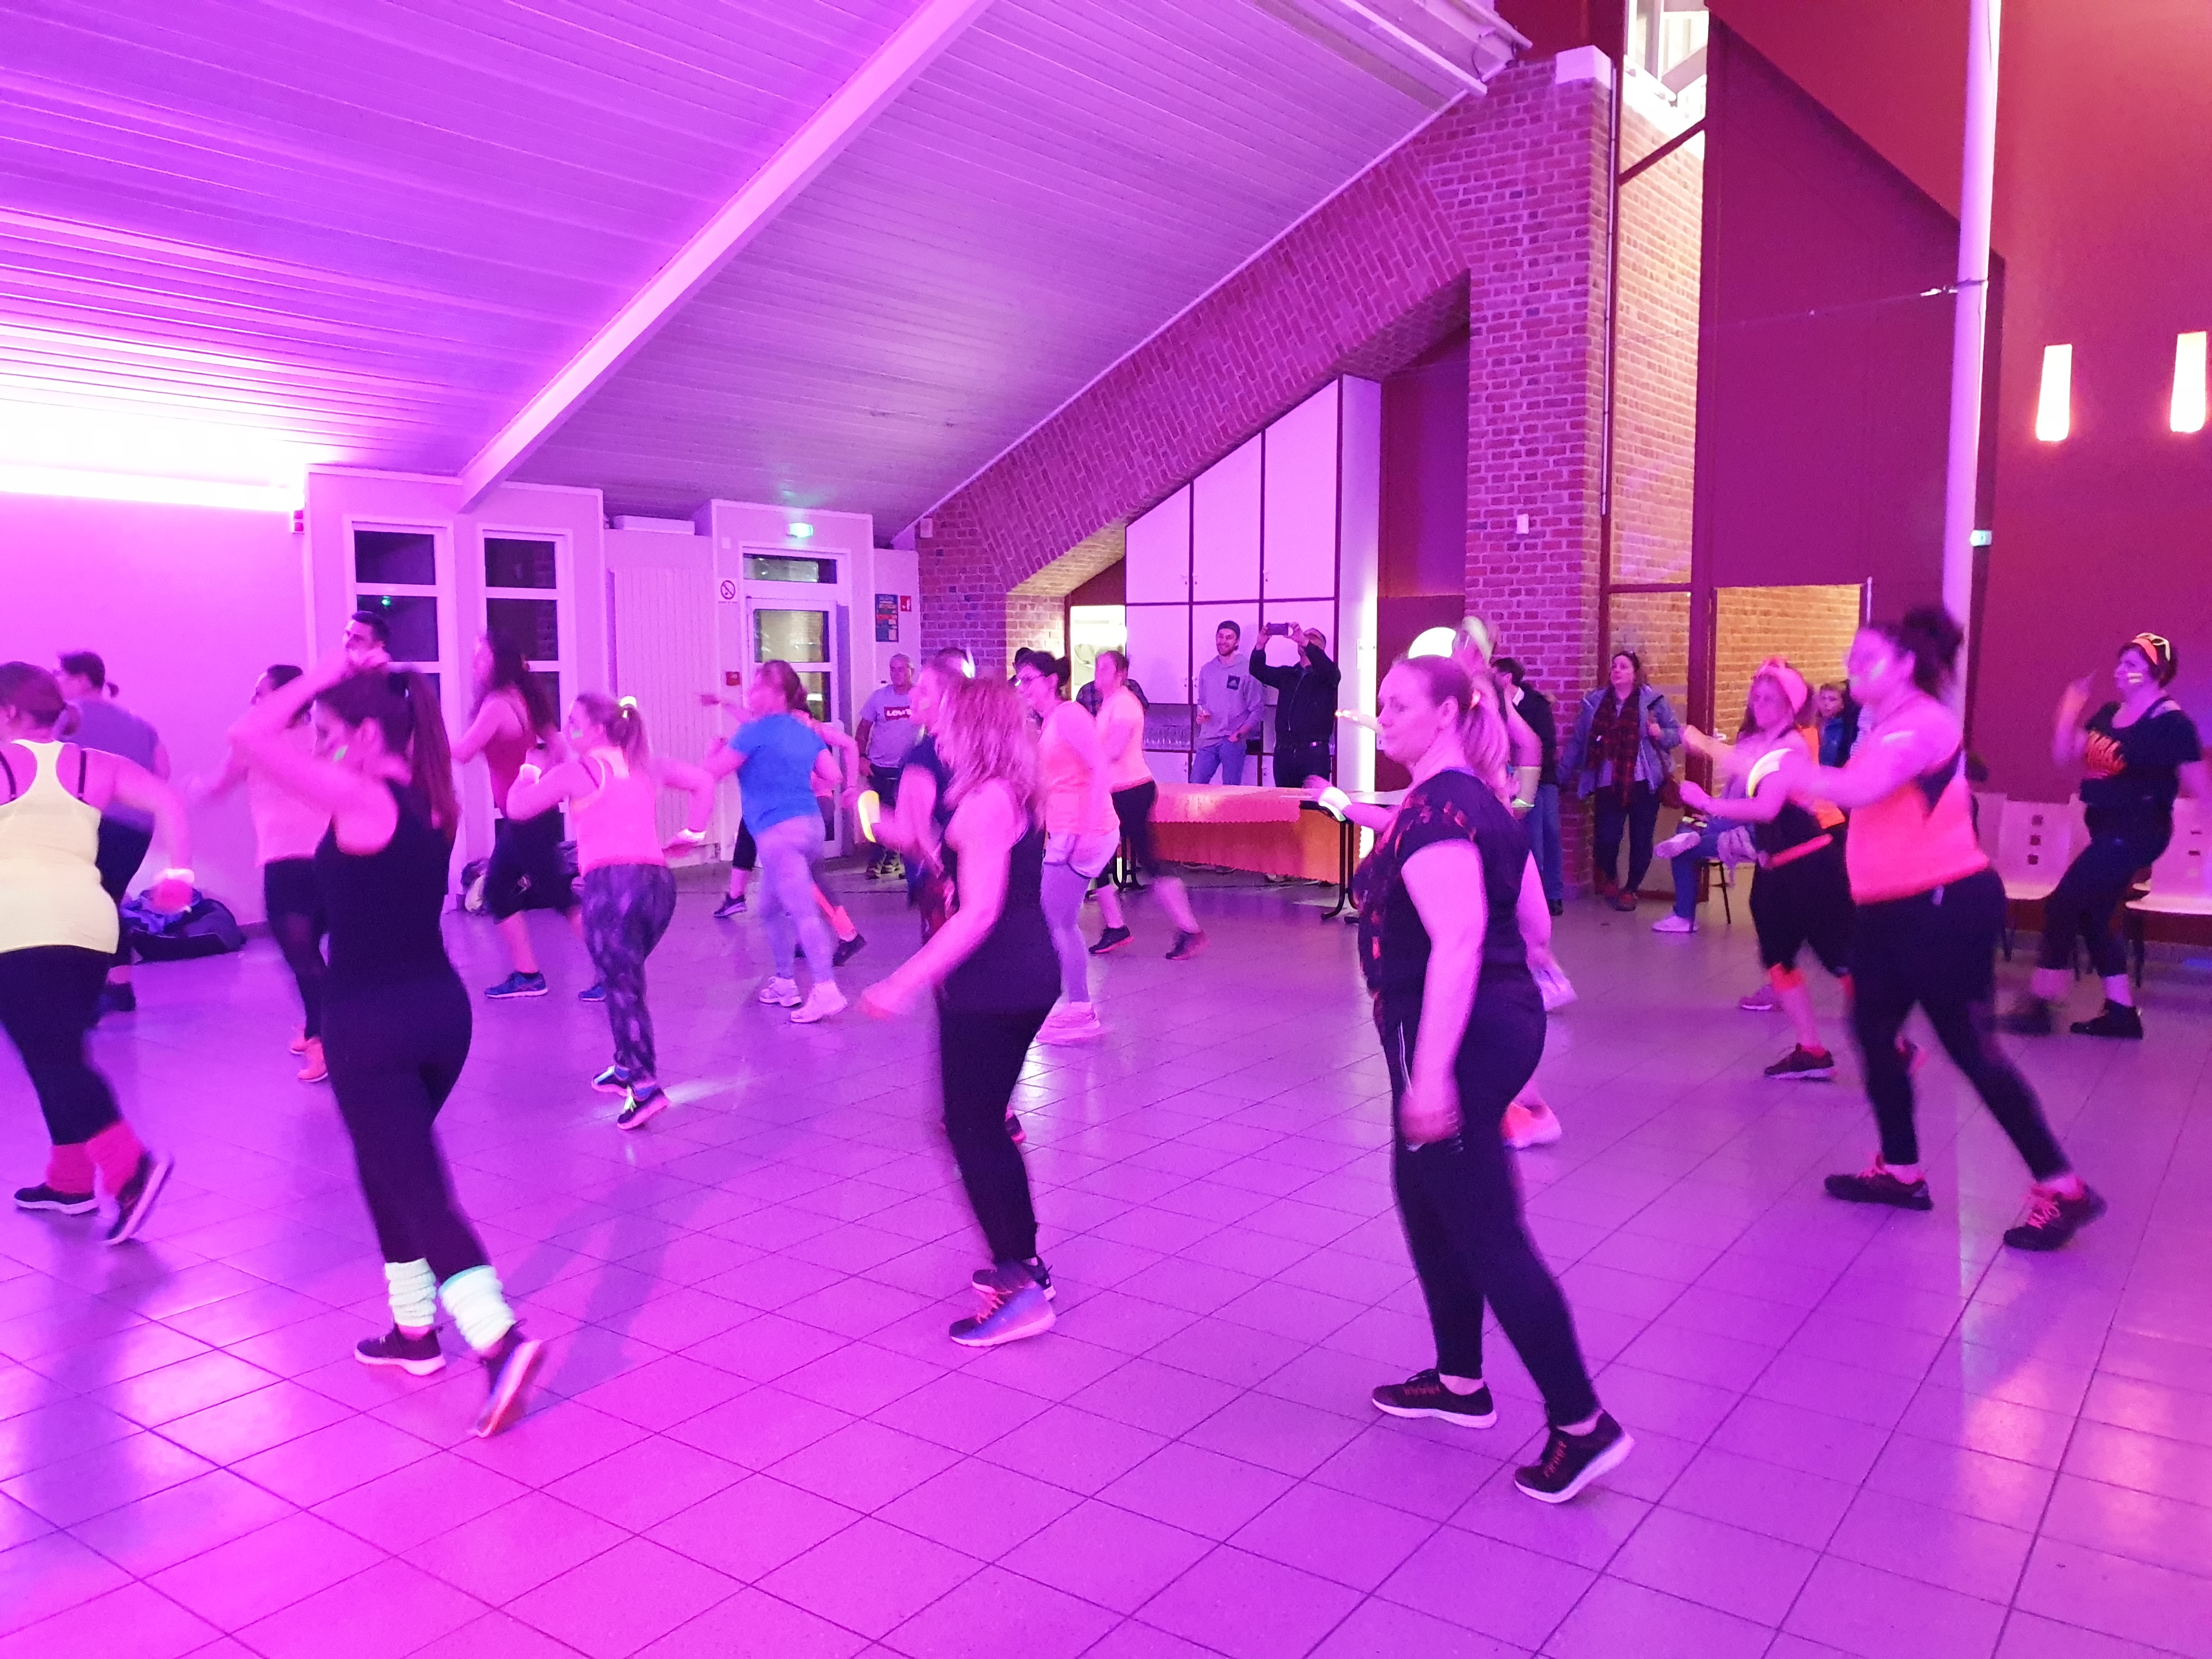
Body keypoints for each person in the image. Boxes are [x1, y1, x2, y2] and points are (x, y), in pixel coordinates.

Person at [230, 646, 544, 1432]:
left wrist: (324, 675)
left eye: (332, 735)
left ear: (368, 736)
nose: (325, 750)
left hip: (372, 1023)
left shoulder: (361, 796)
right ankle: (413, 1333)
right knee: (389, 1165)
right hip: (440, 1014)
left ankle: (498, 1340)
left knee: (417, 1185)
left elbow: (249, 736)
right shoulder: (434, 799)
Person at [1356, 653, 1630, 1503]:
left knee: (1487, 1230)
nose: (1382, 716)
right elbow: (1535, 922)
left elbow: (1461, 939)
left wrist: (1433, 1075)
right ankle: (1460, 1380)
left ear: (1445, 713)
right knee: (1423, 1196)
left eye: (1398, 704)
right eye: (1380, 703)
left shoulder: (1441, 810)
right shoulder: (1470, 799)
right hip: (1492, 1022)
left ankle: (1582, 1423)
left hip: (1458, 1036)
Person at [1776, 608, 2104, 1250]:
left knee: (1971, 1050)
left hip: (1944, 907)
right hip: (1888, 912)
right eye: (1850, 657)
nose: (1850, 667)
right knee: (1873, 1034)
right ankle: (1902, 1171)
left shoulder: (1923, 723)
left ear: (1904, 665)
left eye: (1865, 658)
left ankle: (2064, 1188)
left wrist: (1789, 771)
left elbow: (1863, 788)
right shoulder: (1885, 724)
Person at [861, 675, 1059, 1347]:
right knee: (981, 1124)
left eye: (946, 723)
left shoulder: (984, 803)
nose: (936, 735)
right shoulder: (1010, 793)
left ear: (973, 729)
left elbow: (978, 914)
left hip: (993, 984)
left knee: (971, 1128)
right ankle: (1025, 1265)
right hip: (1020, 975)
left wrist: (903, 982)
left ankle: (1020, 1286)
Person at [3, 664, 185, 1243]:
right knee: (59, 1052)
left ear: (8, 712)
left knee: (54, 1059)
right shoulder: (92, 764)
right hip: (90, 925)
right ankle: (70, 1181)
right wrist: (178, 874)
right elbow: (167, 800)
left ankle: (130, 1169)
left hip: (20, 927)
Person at [507, 694, 715, 1127]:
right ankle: (624, 1064)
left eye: (575, 723)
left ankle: (645, 1087)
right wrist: (694, 832)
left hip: (613, 888)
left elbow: (518, 808)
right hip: (658, 887)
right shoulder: (646, 764)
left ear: (599, 730)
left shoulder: (579, 772)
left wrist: (529, 769)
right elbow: (703, 782)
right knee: (623, 979)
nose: (568, 730)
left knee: (622, 988)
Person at [2003, 633, 2205, 1040]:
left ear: (2157, 672)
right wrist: (2068, 711)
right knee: (2093, 916)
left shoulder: (2172, 724)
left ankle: (2041, 1001)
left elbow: (2201, 785)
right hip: (2106, 828)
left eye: (2132, 665)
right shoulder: (2111, 713)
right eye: (2120, 663)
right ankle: (2121, 1013)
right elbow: (2065, 755)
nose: (2121, 671)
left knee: (2063, 902)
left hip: (2139, 829)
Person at [1678, 659, 1855, 1079]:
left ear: (1791, 706)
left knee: (1841, 960)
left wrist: (1706, 802)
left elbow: (1766, 806)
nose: (1759, 704)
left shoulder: (1792, 745)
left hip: (1812, 867)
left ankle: (1894, 1044)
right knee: (1777, 957)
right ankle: (1811, 1050)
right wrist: (1702, 744)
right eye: (1756, 696)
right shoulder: (1766, 742)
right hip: (1776, 867)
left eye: (1770, 699)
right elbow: (1743, 763)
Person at [195, 667, 333, 1082]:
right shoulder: (323, 738)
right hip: (329, 859)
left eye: (261, 693)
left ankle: (325, 1042)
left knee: (304, 959)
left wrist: (197, 789)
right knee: (312, 956)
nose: (254, 700)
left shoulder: (254, 744)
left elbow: (218, 785)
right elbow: (343, 764)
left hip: (290, 862)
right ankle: (317, 1027)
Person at [702, 661, 848, 1023]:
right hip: (810, 828)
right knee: (768, 908)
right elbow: (833, 775)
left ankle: (826, 989)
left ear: (775, 693)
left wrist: (712, 750)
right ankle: (785, 982)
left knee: (802, 912)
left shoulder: (752, 732)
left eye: (756, 687)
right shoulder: (804, 731)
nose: (750, 693)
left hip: (778, 834)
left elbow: (709, 775)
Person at [453, 634, 582, 1001]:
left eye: (482, 656)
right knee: (497, 889)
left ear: (500, 662)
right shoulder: (521, 696)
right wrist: (541, 781)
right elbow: (559, 746)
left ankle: (614, 971)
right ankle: (528, 975)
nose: (474, 663)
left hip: (529, 818)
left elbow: (463, 752)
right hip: (526, 816)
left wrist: (423, 740)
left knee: (557, 893)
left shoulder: (497, 705)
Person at [56, 652, 168, 1015]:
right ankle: (119, 986)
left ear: (82, 679)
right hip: (137, 828)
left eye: (60, 674)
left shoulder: (65, 718)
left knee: (81, 905)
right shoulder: (139, 723)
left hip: (90, 822)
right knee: (109, 902)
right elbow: (161, 773)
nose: (56, 680)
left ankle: (86, 991)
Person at [1016, 653, 1116, 1043]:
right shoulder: (1048, 723)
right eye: (1020, 680)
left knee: (1056, 918)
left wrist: (1087, 828)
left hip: (1081, 829)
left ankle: (1079, 1007)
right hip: (1066, 828)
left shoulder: (1070, 715)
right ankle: (1075, 1004)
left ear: (1051, 681)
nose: (1023, 687)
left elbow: (1100, 767)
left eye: (1029, 679)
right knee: (1059, 918)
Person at [1087, 650, 1205, 960]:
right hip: (1118, 792)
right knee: (1099, 856)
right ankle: (1116, 926)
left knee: (1147, 861)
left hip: (1132, 792)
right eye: (1097, 666)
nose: (1098, 671)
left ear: (1120, 674)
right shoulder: (1110, 703)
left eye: (1105, 668)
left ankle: (1189, 929)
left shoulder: (1125, 704)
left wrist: (1079, 757)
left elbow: (1112, 751)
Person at [1561, 650, 1680, 910]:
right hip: (1608, 781)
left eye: (1624, 667)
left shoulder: (1653, 701)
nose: (1617, 670)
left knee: (1641, 839)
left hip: (1644, 782)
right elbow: (1579, 741)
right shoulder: (1596, 702)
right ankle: (1611, 878)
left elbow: (1676, 734)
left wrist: (1659, 733)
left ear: (1635, 673)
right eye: (1614, 666)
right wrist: (1562, 774)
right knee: (1606, 837)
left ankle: (1632, 889)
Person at [1493, 657, 1562, 912]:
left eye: (1494, 674)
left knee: (1550, 833)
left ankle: (1553, 894)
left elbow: (1545, 744)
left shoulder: (1535, 704)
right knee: (1531, 837)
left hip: (1542, 779)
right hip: (1511, 779)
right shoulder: (1495, 706)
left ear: (1507, 678)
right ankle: (1535, 896)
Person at [1250, 624, 1340, 788]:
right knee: (1285, 800)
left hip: (1313, 754)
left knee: (1313, 801)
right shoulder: (1288, 674)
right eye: (1305, 636)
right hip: (1284, 753)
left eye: (1312, 637)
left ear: (1321, 648)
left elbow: (1328, 670)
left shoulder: (1328, 675)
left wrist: (1305, 642)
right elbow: (1257, 670)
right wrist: (1260, 645)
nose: (1305, 638)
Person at [857, 656, 920, 877]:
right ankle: (876, 861)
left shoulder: (920, 697)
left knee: (902, 815)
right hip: (879, 767)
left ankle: (894, 860)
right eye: (893, 669)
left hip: (907, 768)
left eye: (902, 669)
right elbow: (863, 729)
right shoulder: (879, 698)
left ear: (911, 671)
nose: (897, 674)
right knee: (878, 815)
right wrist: (862, 758)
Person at [1191, 622, 1265, 785]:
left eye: (1229, 637)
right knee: (1194, 786)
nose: (1223, 641)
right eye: (1220, 636)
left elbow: (1257, 710)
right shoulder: (1207, 669)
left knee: (1230, 790)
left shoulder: (1248, 669)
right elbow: (1201, 702)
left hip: (1232, 742)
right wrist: (1201, 715)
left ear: (1237, 642)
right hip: (1208, 739)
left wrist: (1238, 734)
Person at [1816, 681, 1860, 768]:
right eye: (1823, 698)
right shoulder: (1812, 725)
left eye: (1832, 700)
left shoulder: (1846, 730)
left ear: (1842, 704)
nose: (1826, 703)